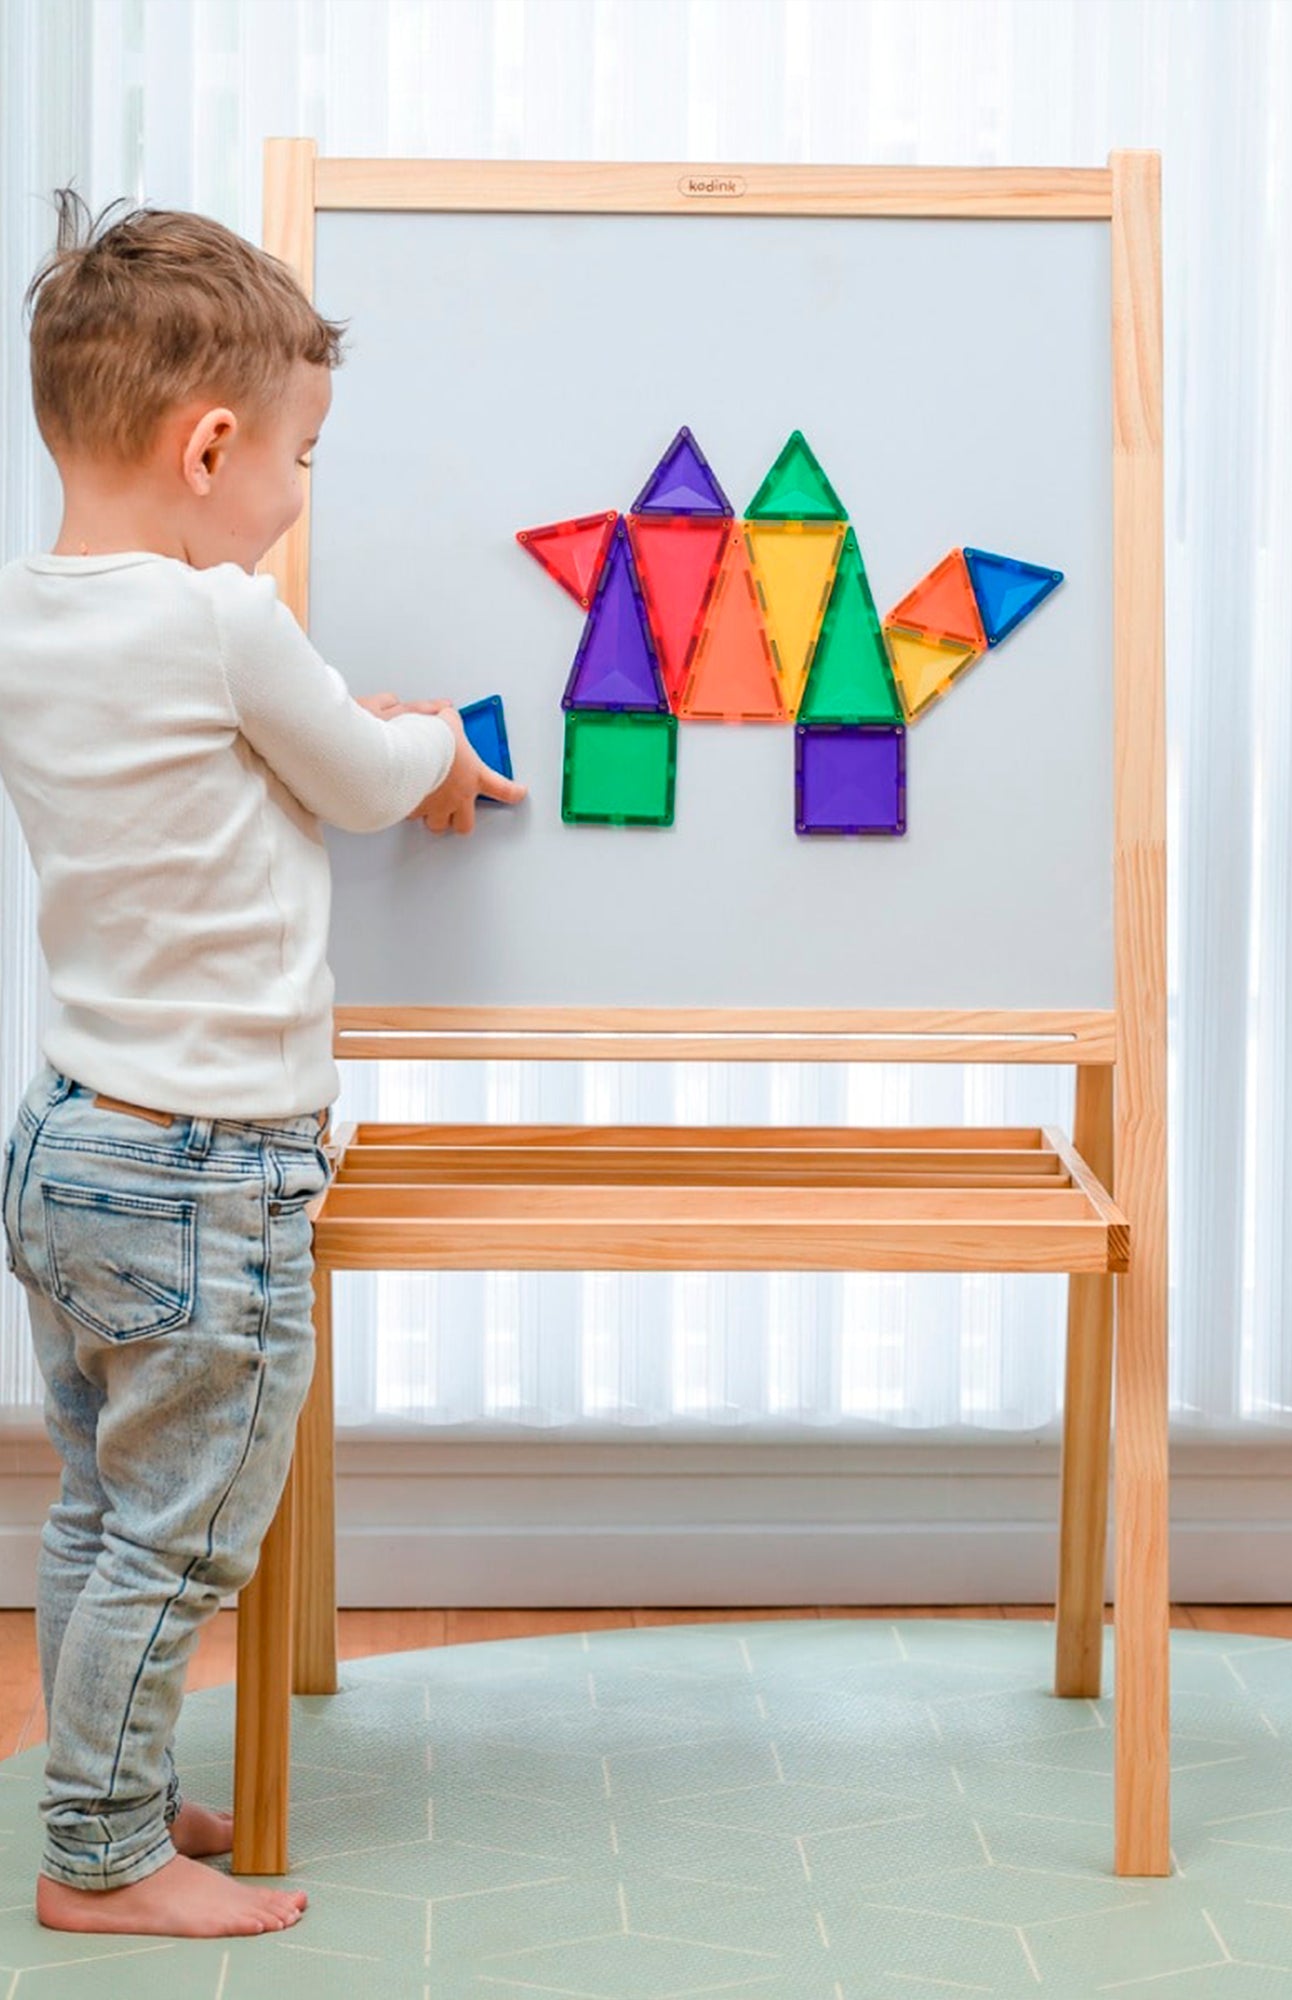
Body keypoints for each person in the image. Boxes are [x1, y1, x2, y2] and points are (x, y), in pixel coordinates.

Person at [0, 193, 523, 1940]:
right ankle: (102, 1862)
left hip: (72, 1140)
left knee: (101, 1511)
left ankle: (117, 1787)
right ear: (210, 447)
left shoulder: (28, 616)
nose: (302, 491)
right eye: (302, 454)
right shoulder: (224, 621)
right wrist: (434, 742)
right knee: (186, 1532)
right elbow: (365, 781)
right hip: (203, 1168)